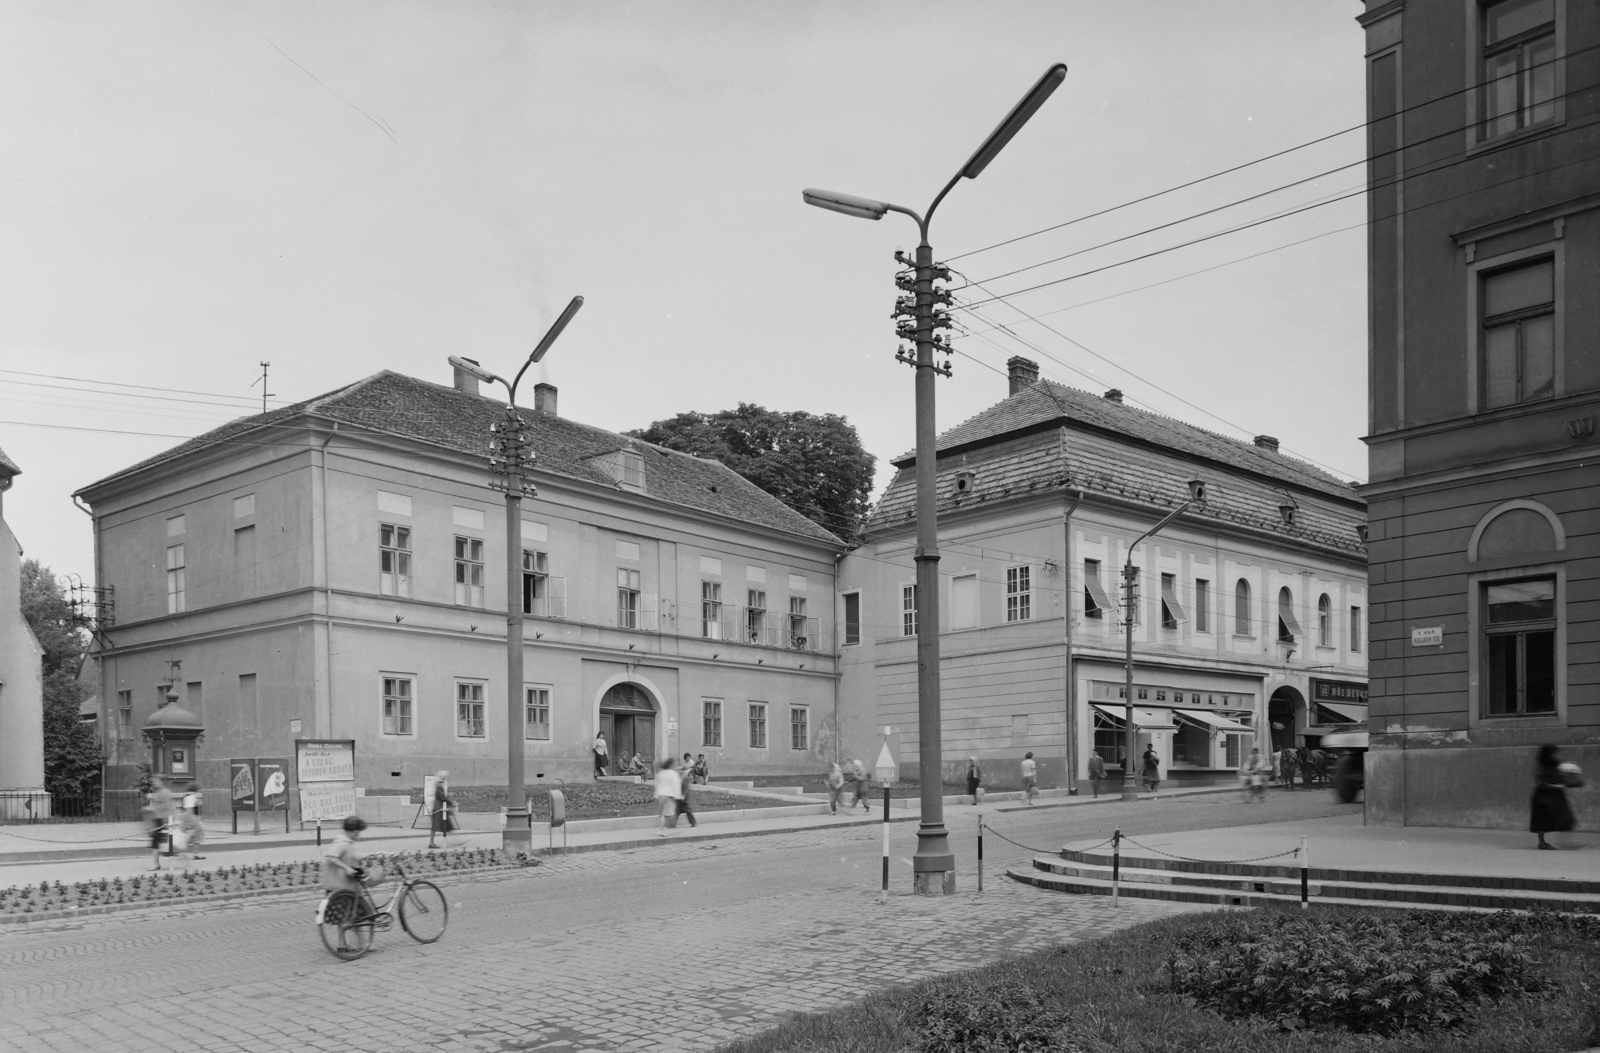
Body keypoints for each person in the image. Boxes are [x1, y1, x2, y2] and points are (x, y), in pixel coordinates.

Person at [1531, 744, 1576, 850]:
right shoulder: (1540, 765)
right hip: (1543, 795)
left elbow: (1563, 773)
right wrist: (1555, 786)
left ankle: (1567, 842)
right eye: (1552, 753)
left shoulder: (1556, 762)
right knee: (1541, 819)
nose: (1554, 755)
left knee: (1565, 817)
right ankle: (1542, 843)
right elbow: (1540, 782)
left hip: (1556, 795)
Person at [144, 776, 173, 871]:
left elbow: (167, 806)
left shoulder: (164, 792)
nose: (154, 783)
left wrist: (167, 820)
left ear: (161, 782)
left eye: (156, 781)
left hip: (161, 819)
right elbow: (159, 806)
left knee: (155, 842)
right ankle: (156, 863)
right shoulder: (161, 792)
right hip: (158, 819)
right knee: (155, 841)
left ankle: (156, 864)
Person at [176, 792, 206, 864]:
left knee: (185, 838)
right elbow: (197, 811)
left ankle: (182, 853)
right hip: (193, 820)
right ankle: (196, 854)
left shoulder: (187, 798)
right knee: (196, 838)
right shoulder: (193, 798)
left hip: (186, 820)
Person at [655, 758, 682, 837]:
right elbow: (676, 785)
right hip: (669, 795)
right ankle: (661, 830)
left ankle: (661, 829)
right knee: (667, 814)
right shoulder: (673, 774)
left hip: (661, 795)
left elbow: (657, 784)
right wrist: (678, 796)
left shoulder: (661, 773)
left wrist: (656, 795)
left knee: (663, 814)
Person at [428, 770, 455, 850]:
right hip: (438, 808)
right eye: (445, 777)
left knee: (445, 825)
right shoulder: (439, 785)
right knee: (435, 826)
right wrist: (451, 802)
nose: (445, 779)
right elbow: (442, 797)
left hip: (439, 808)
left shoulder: (438, 785)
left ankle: (433, 842)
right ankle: (431, 843)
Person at [676, 760, 698, 829]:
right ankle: (672, 823)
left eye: (680, 771)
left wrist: (683, 795)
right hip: (678, 798)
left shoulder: (685, 779)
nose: (679, 772)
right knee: (676, 811)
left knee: (687, 810)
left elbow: (686, 789)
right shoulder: (677, 779)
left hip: (683, 799)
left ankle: (693, 822)